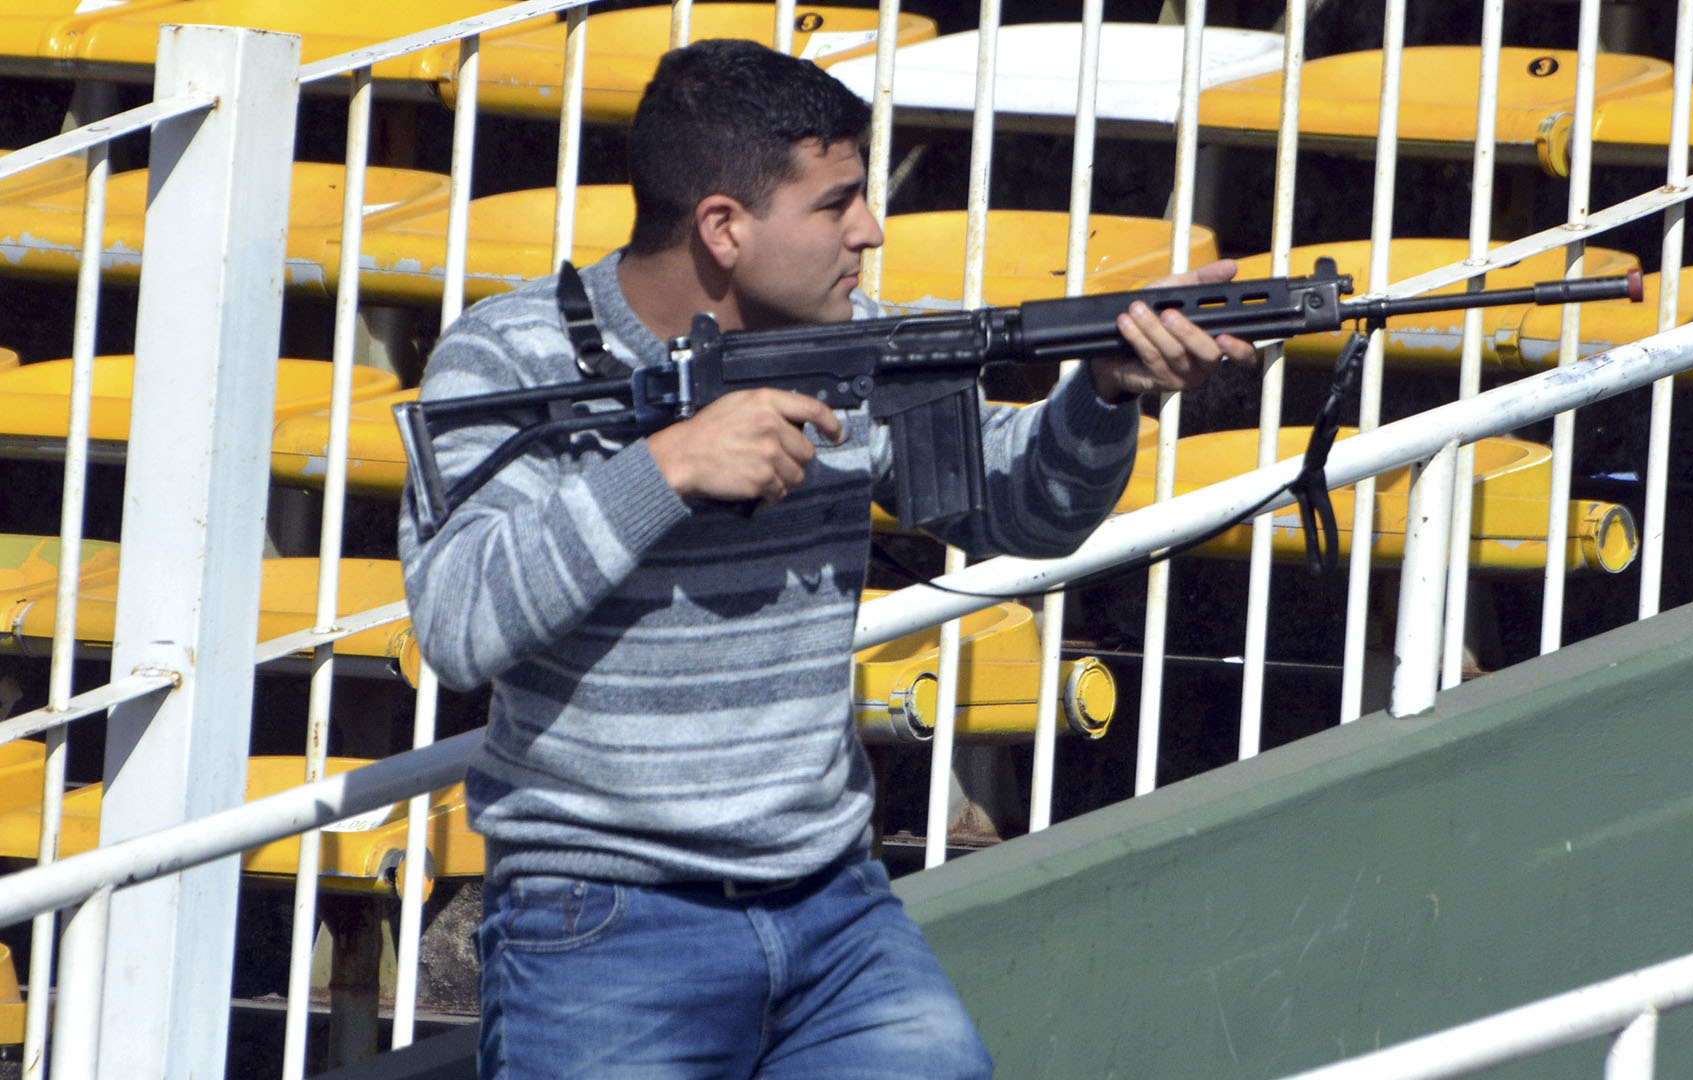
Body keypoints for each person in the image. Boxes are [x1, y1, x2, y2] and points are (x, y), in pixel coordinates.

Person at [399, 38, 1254, 1080]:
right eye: (837, 202)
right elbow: (457, 624)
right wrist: (664, 469)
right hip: (607, 924)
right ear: (724, 226)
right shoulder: (512, 355)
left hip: (836, 911)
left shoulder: (862, 344)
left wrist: (1108, 391)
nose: (872, 229)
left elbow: (1026, 517)